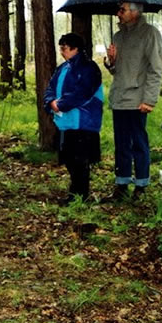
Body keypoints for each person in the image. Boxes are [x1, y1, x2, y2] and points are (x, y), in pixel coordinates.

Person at [103, 2, 162, 201]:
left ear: (135, 12)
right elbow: (116, 71)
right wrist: (111, 61)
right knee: (121, 143)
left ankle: (141, 186)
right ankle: (121, 184)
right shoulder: (118, 36)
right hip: (119, 98)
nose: (118, 13)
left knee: (138, 142)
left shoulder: (150, 34)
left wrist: (150, 99)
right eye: (118, 9)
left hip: (138, 100)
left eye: (122, 10)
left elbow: (156, 70)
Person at [44, 33, 103, 203]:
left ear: (75, 49)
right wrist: (50, 102)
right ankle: (75, 193)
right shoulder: (63, 68)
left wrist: (60, 104)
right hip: (66, 122)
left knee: (80, 160)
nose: (62, 52)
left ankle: (80, 195)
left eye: (64, 48)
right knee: (70, 159)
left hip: (83, 121)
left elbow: (83, 93)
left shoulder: (89, 68)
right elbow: (51, 87)